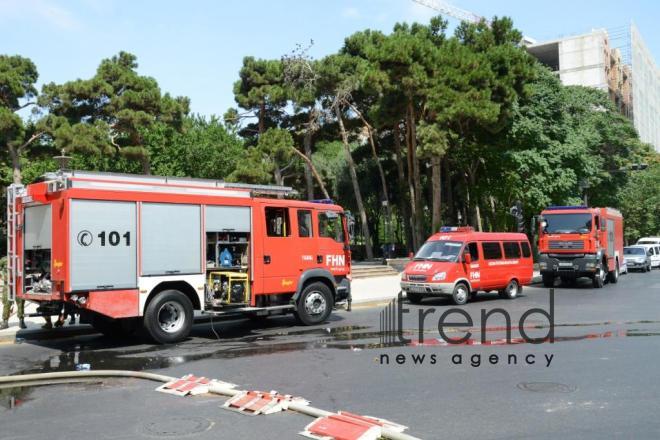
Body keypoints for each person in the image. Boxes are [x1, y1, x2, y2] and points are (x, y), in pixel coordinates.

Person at [0, 260, 26, 329]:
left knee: (21, 302)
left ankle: (21, 320)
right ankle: (5, 321)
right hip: (8, 284)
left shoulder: (21, 257)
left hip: (19, 284)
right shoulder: (4, 259)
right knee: (6, 303)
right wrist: (2, 276)